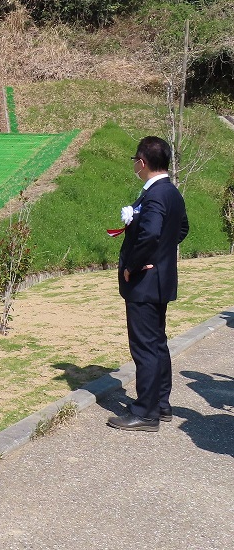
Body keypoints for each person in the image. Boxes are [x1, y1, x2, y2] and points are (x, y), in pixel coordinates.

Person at [108, 136, 189, 432]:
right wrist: (163, 255)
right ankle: (161, 404)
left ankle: (145, 412)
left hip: (144, 282)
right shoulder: (172, 192)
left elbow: (152, 233)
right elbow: (181, 228)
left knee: (144, 347)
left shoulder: (155, 195)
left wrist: (134, 264)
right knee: (157, 344)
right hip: (161, 279)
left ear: (141, 163)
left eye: (135, 161)